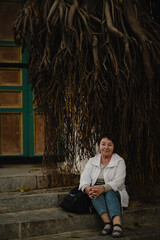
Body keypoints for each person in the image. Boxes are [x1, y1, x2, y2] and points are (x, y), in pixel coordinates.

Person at [79, 133, 129, 238]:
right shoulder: (92, 161)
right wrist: (87, 188)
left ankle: (117, 224)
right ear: (99, 146)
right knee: (94, 192)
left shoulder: (119, 161)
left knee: (110, 193)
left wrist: (103, 188)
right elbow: (84, 178)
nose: (106, 147)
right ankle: (107, 223)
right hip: (97, 192)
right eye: (103, 144)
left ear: (114, 147)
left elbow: (119, 181)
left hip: (115, 191)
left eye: (109, 145)